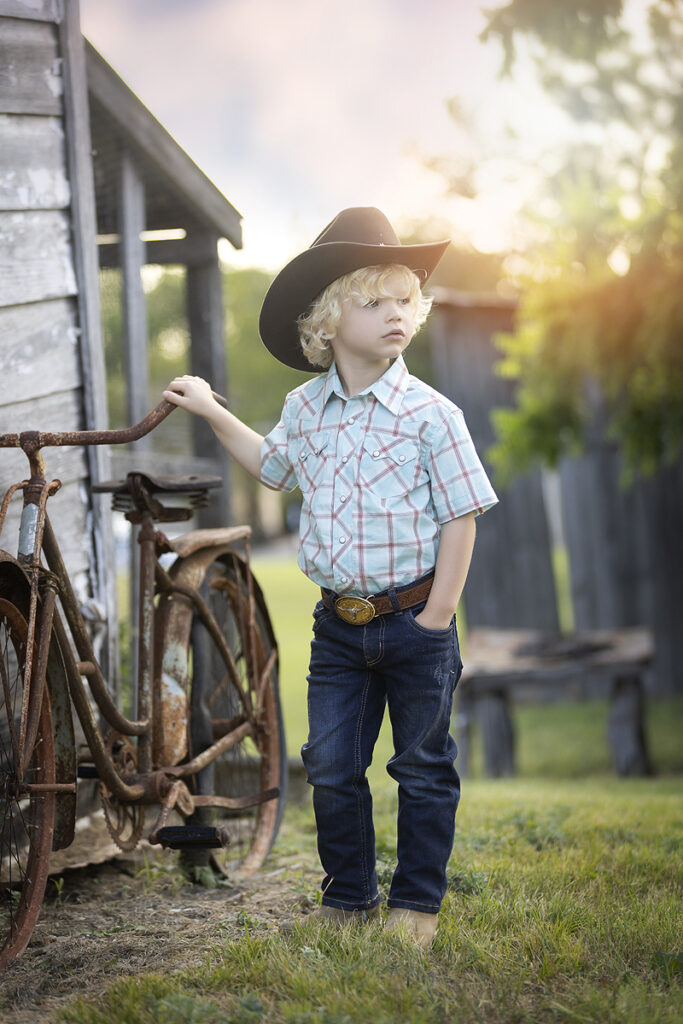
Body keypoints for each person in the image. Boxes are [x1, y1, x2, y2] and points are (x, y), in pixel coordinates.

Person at [163, 207, 498, 948]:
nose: (395, 315)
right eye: (374, 302)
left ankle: (415, 907)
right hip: (337, 627)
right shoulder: (304, 410)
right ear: (327, 319)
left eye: (404, 300)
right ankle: (348, 898)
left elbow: (461, 517)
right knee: (331, 766)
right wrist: (212, 410)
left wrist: (437, 618)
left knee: (421, 767)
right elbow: (272, 467)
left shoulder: (431, 414)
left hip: (415, 621)